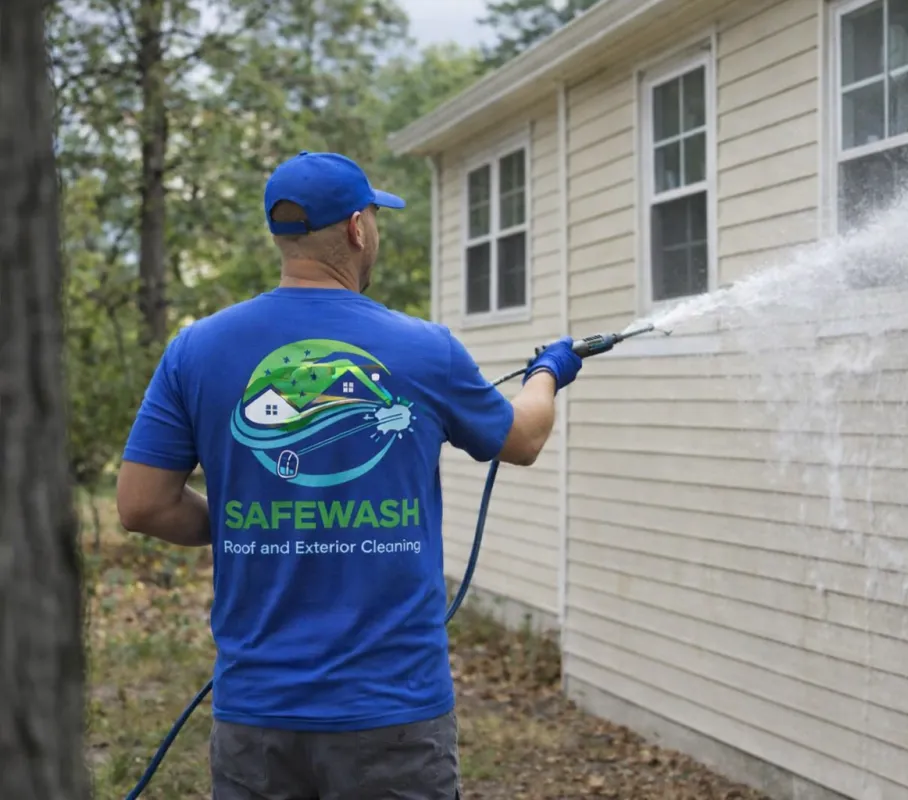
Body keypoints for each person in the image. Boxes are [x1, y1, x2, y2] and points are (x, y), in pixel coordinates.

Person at [115, 150, 583, 800]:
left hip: (257, 713)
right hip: (392, 714)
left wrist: (245, 522)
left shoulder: (196, 350)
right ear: (360, 227)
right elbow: (524, 437)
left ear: (282, 235)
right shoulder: (425, 348)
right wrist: (548, 372)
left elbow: (141, 504)